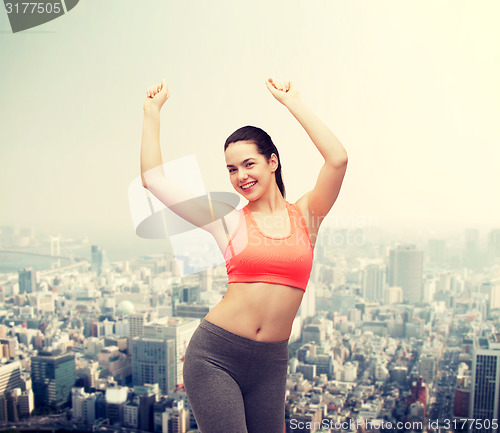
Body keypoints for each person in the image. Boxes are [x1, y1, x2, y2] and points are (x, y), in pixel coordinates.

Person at [140, 77, 348, 433]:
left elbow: (338, 159)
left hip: (271, 364)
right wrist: (152, 112)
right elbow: (154, 180)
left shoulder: (307, 216)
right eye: (232, 169)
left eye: (248, 164)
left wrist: (293, 102)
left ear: (272, 162)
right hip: (215, 357)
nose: (240, 176)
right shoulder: (228, 221)